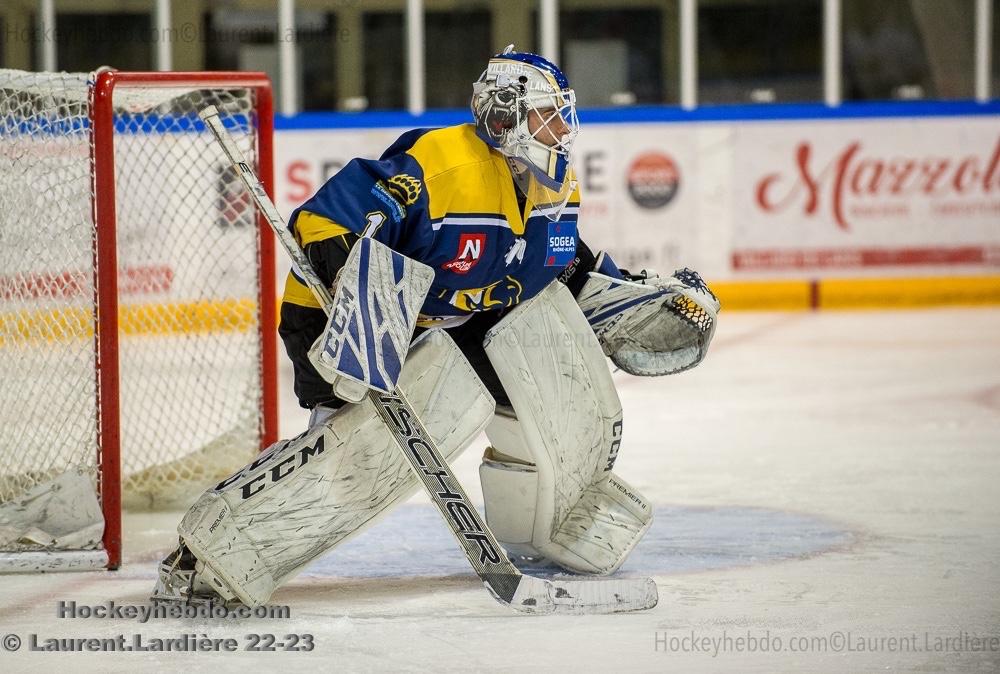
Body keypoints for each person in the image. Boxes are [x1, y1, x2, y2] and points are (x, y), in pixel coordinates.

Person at [153, 46, 719, 608]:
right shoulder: (441, 163)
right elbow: (324, 221)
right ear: (505, 114)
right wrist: (367, 317)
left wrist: (625, 296)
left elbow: (559, 267)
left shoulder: (556, 183)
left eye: (561, 113)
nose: (561, 128)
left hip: (447, 320)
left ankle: (544, 523)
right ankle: (212, 552)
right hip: (332, 318)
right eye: (547, 114)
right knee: (356, 455)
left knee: (548, 361)